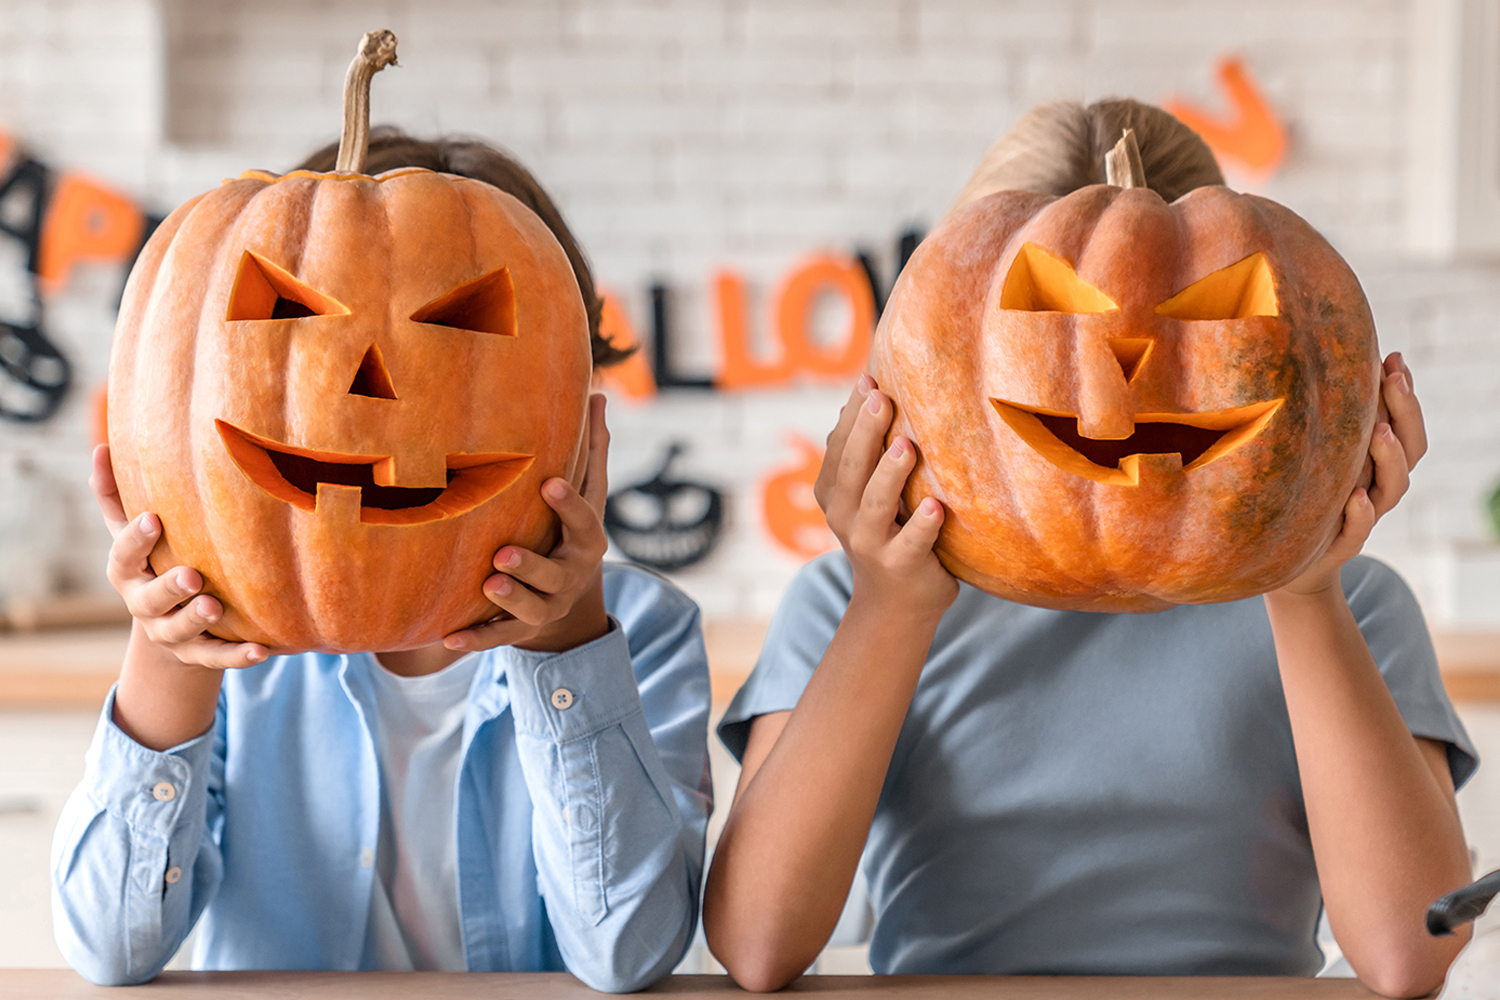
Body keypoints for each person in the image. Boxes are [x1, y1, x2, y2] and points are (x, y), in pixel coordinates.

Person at [702, 100, 1476, 999]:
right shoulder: (846, 603)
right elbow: (757, 949)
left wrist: (1301, 581)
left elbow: (1410, 954)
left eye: (1205, 312)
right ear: (945, 348)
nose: (1118, 373)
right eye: (1047, 309)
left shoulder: (1353, 601)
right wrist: (891, 605)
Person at [52, 132, 711, 992]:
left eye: (464, 327)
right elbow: (110, 947)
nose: (376, 394)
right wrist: (176, 640)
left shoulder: (643, 634)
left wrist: (569, 637)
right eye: (295, 315)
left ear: (573, 392)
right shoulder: (241, 655)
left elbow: (627, 955)